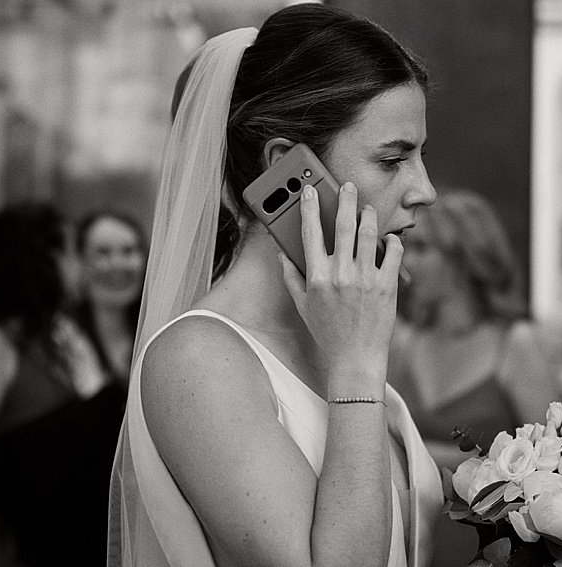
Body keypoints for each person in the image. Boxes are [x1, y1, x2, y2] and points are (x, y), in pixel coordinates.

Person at [108, 4, 445, 567]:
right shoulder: (197, 360)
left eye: (420, 156)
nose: (425, 190)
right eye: (393, 160)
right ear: (291, 171)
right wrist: (359, 362)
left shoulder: (334, 336)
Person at [0, 202, 125, 567]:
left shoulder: (56, 337)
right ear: (41, 260)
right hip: (4, 547)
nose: (81, 264)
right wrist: (60, 455)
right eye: (71, 250)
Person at [389, 189, 557, 567]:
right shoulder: (400, 345)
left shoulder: (517, 345)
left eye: (422, 248)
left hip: (491, 553)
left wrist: (423, 459)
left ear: (464, 257)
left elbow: (554, 474)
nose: (406, 261)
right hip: (410, 548)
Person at [72, 211, 146, 389]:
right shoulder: (63, 337)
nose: (117, 264)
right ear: (80, 261)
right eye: (103, 252)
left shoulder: (157, 330)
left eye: (128, 251)